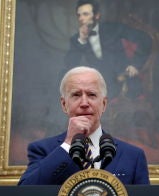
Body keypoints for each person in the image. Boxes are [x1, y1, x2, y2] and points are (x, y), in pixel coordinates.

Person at [18, 66, 150, 185]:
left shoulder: (133, 156)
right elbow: (26, 193)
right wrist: (69, 143)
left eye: (92, 95)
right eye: (76, 95)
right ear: (64, 105)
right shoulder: (42, 150)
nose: (84, 103)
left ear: (103, 104)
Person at [65, 0, 152, 99]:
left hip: (124, 82)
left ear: (97, 16)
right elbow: (70, 66)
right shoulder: (77, 39)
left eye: (85, 14)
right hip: (97, 86)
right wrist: (82, 41)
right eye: (79, 15)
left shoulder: (113, 28)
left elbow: (145, 39)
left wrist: (135, 64)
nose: (81, 18)